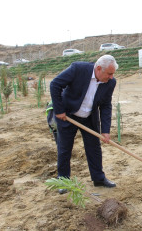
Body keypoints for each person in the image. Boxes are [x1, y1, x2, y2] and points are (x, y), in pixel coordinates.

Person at [50, 55, 118, 193]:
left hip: (89, 116)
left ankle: (99, 179)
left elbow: (105, 106)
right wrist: (59, 110)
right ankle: (63, 181)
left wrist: (105, 131)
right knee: (64, 148)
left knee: (94, 148)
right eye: (109, 73)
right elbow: (55, 84)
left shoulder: (110, 82)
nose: (111, 77)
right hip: (67, 115)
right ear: (99, 69)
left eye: (113, 74)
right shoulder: (78, 69)